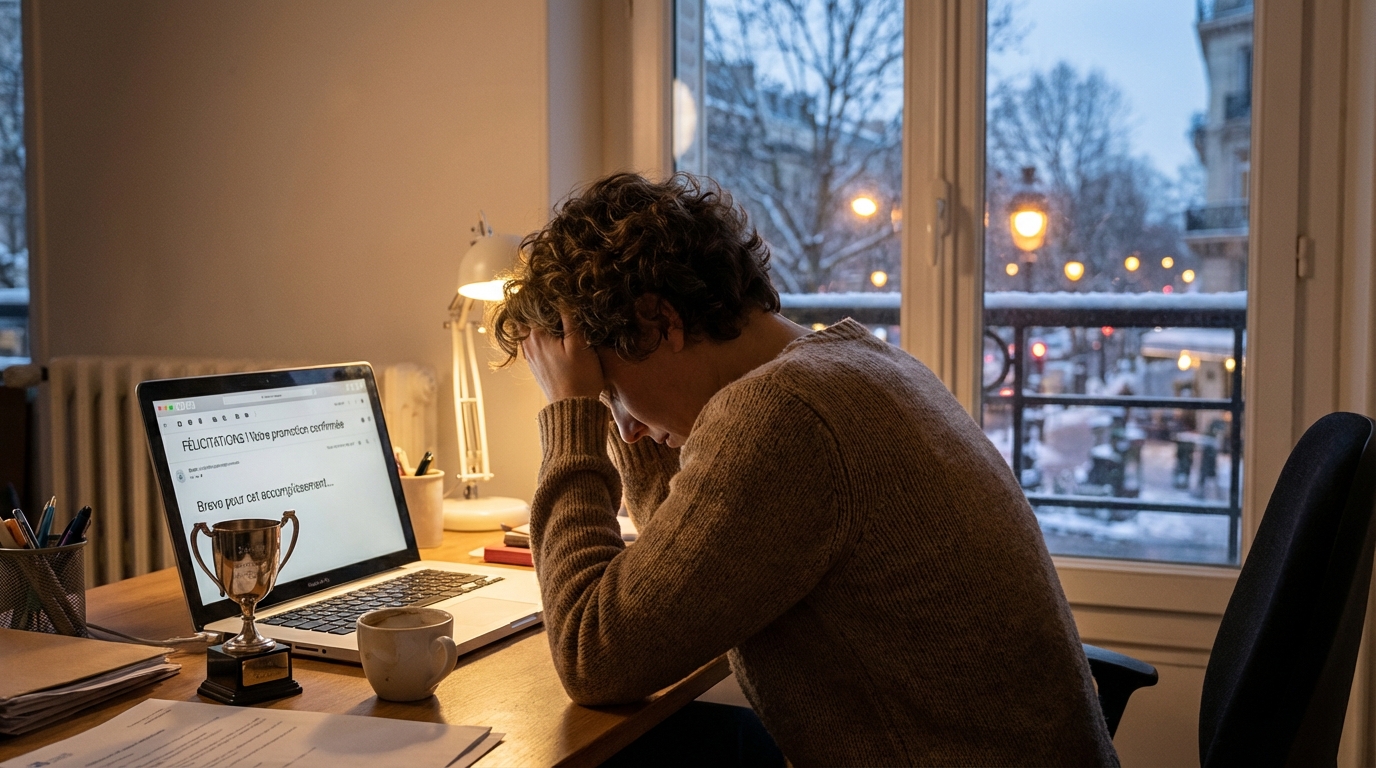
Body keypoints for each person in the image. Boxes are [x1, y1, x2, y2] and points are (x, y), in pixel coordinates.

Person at [492, 172, 1118, 767]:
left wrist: (572, 414)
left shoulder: (780, 416)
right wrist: (621, 400)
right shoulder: (857, 363)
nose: (622, 426)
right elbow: (674, 583)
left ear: (661, 322)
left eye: (613, 389)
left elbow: (593, 656)